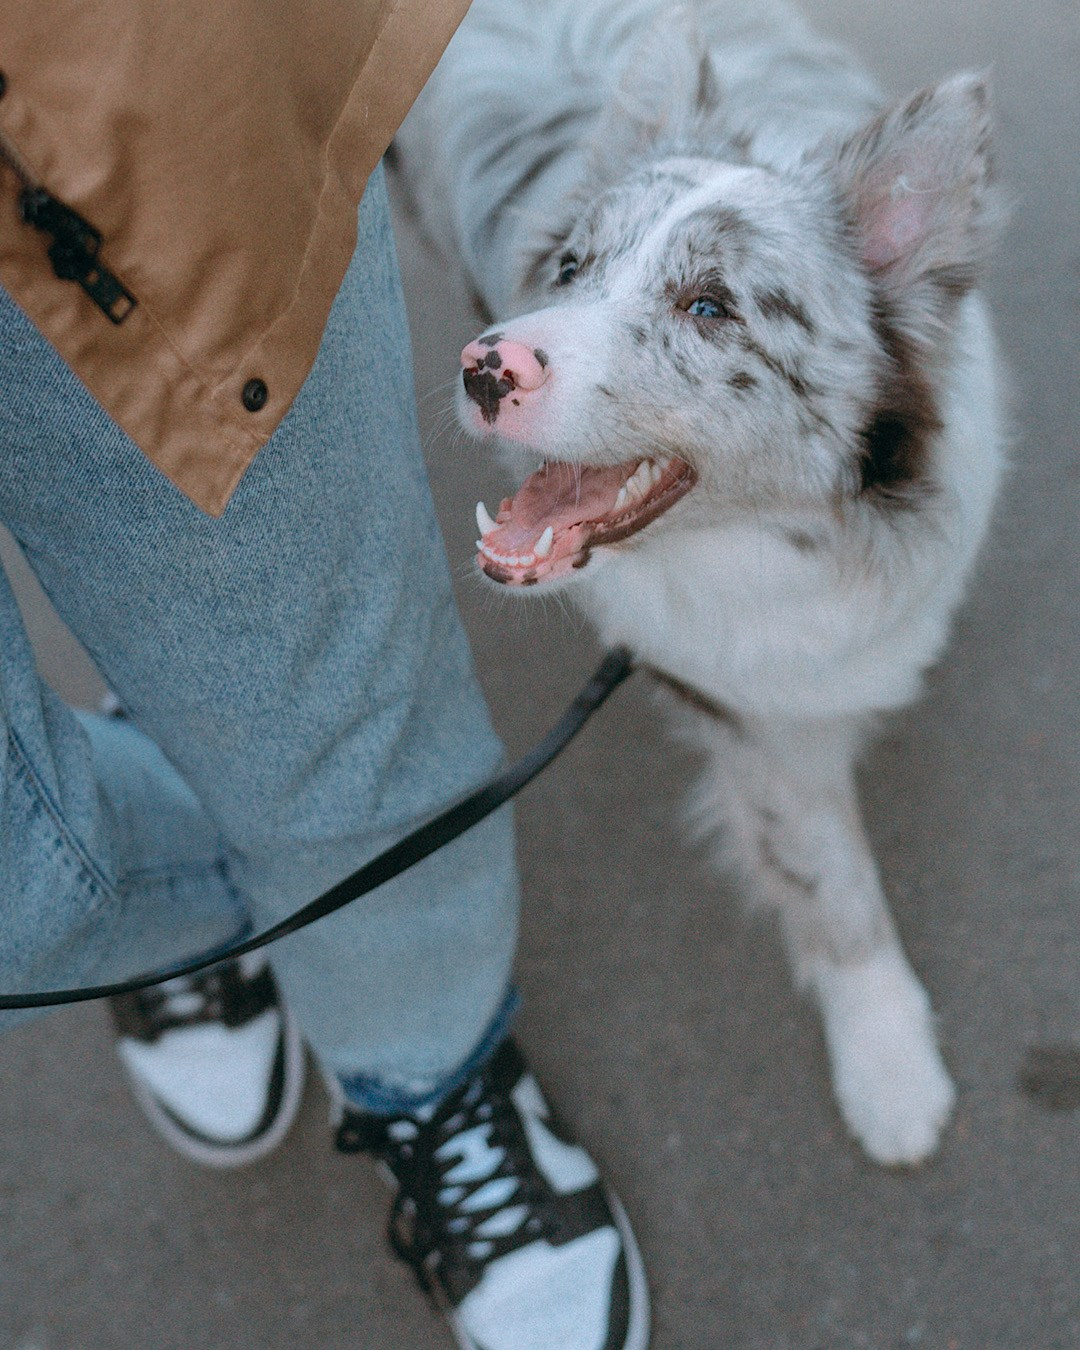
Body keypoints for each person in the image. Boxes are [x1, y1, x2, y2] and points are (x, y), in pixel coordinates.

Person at [0, 3, 648, 1348]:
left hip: (88, 104)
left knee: (319, 710)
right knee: (23, 895)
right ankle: (203, 872)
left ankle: (431, 1071)